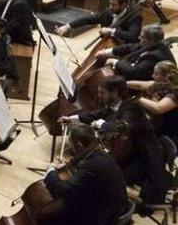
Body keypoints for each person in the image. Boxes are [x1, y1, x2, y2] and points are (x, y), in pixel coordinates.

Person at [23, 123, 128, 225]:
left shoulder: (93, 165)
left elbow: (62, 190)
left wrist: (50, 172)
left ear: (80, 145)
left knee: (46, 220)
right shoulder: (98, 154)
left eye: (72, 147)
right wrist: (67, 166)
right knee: (55, 212)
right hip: (103, 213)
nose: (71, 151)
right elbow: (80, 175)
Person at [60, 76, 169, 206]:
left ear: (115, 92)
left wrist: (102, 124)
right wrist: (72, 119)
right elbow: (98, 114)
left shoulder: (131, 107)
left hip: (142, 159)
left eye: (103, 92)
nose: (99, 95)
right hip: (129, 151)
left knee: (104, 177)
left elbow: (123, 128)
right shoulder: (117, 104)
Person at [97, 24, 174, 81]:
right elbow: (130, 47)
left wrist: (115, 62)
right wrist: (107, 52)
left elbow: (135, 72)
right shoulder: (153, 44)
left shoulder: (156, 56)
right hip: (133, 71)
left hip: (138, 85)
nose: (139, 38)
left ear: (151, 41)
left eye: (142, 37)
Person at [55, 0, 141, 44]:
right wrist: (67, 26)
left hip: (123, 50)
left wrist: (111, 31)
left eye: (114, 5)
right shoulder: (108, 12)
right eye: (110, 4)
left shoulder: (134, 18)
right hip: (105, 44)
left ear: (123, 5)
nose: (110, 7)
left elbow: (132, 36)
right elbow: (89, 19)